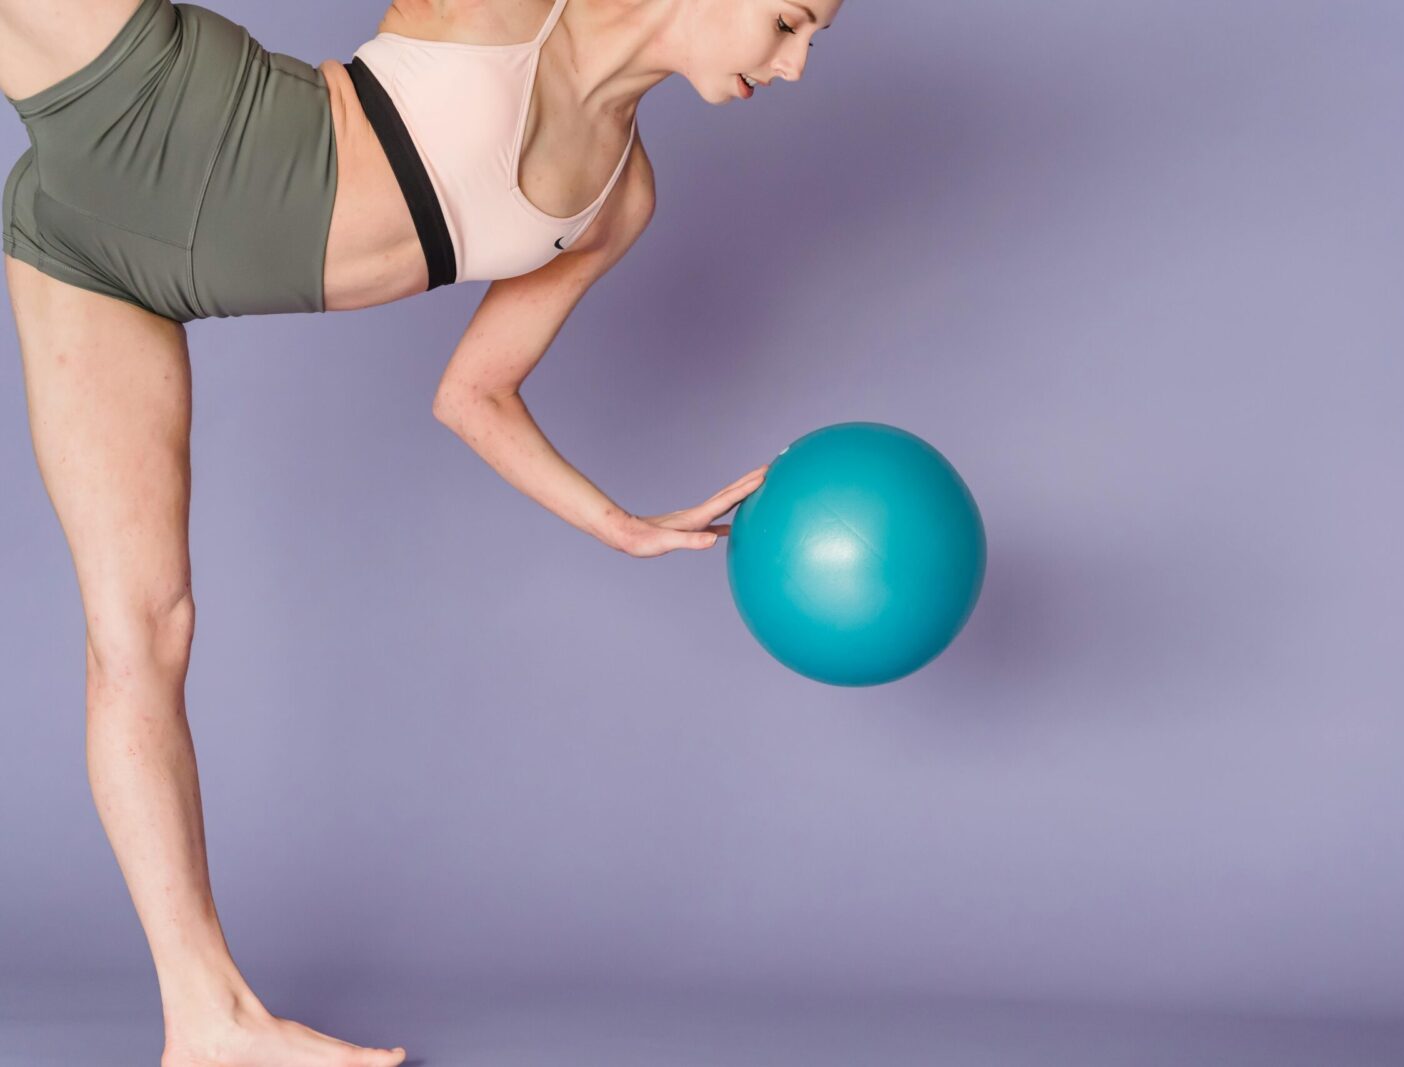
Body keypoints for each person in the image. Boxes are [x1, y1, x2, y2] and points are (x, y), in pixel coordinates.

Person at [0, 0, 841, 1061]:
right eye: (788, 22)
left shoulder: (622, 199)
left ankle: (207, 1021)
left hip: (101, 263)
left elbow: (473, 394)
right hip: (161, 100)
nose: (799, 63)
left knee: (145, 629)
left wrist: (621, 525)